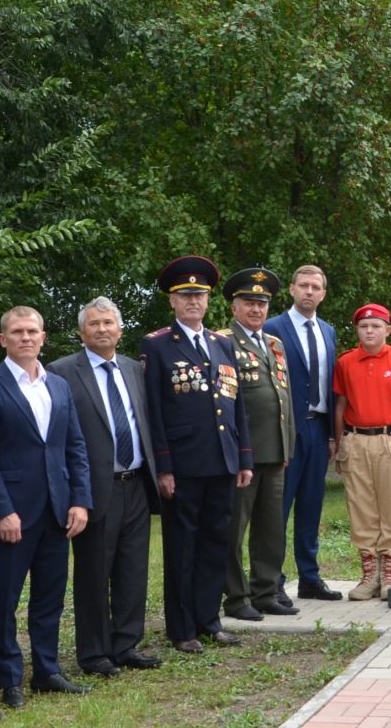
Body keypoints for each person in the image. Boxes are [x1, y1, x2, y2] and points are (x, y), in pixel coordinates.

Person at [0, 306, 93, 706]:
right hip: (13, 515)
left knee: (50, 597)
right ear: (3, 339)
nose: (26, 337)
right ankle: (10, 680)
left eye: (32, 331)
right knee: (4, 600)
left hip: (58, 510)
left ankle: (47, 670)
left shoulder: (57, 386)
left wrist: (80, 500)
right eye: (17, 331)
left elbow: (75, 446)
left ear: (43, 337)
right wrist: (1, 510)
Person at [140, 256, 253, 652]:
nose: (193, 302)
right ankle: (183, 628)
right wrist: (164, 466)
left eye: (199, 295)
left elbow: (235, 403)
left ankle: (210, 620)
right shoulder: (156, 346)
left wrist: (244, 457)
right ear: (172, 301)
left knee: (215, 543)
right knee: (183, 547)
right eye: (185, 295)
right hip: (184, 465)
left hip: (222, 460)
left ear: (208, 301)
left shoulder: (222, 344)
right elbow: (153, 411)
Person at [50, 296, 163, 675]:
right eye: (94, 324)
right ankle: (94, 653)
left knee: (133, 569)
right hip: (95, 488)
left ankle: (127, 644)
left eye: (108, 323)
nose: (102, 329)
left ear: (120, 329)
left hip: (136, 484)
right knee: (94, 573)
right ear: (82, 331)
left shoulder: (133, 369)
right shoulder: (62, 371)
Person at [219, 268, 298, 620]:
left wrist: (288, 446)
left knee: (271, 528)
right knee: (235, 529)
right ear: (234, 307)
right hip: (243, 456)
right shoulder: (221, 342)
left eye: (262, 304)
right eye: (249, 303)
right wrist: (234, 453)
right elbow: (224, 404)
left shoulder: (274, 344)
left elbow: (285, 399)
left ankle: (265, 591)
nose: (256, 310)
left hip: (275, 451)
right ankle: (236, 598)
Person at [332, 303, 391, 600]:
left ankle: (390, 574)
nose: (369, 331)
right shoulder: (346, 362)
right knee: (361, 507)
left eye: (375, 326)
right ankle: (369, 574)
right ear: (357, 330)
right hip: (356, 442)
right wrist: (339, 446)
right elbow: (340, 408)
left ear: (388, 329)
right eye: (363, 326)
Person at [265, 265, 343, 601]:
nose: (309, 291)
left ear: (323, 294)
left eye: (316, 287)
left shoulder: (328, 331)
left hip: (317, 427)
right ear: (292, 290)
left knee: (311, 506)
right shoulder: (272, 329)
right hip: (285, 430)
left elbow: (329, 385)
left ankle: (309, 577)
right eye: (303, 285)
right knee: (278, 507)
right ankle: (273, 580)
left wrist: (330, 436)